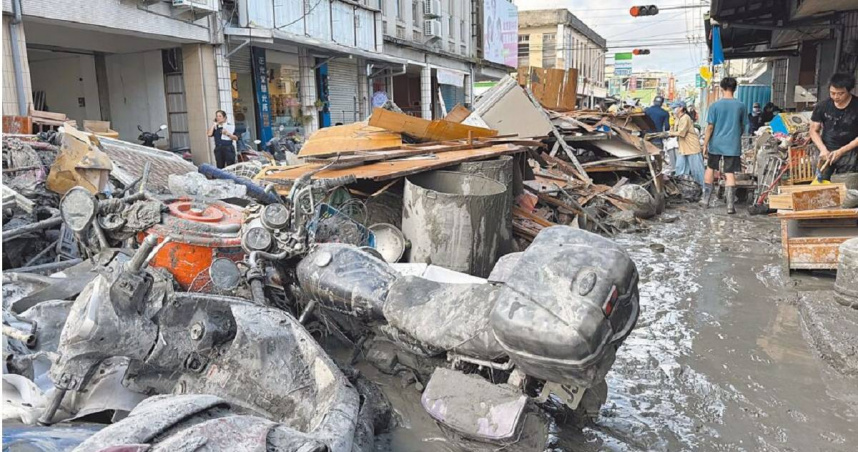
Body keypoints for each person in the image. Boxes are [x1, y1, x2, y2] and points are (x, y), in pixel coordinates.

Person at [702, 77, 746, 214]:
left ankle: (705, 201)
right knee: (729, 173)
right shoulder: (741, 106)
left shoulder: (715, 106)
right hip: (732, 144)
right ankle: (730, 206)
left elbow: (710, 127)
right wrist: (735, 136)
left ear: (721, 88)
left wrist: (705, 144)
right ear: (735, 88)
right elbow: (743, 126)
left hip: (716, 143)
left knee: (710, 168)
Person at [810, 72, 858, 180]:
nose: (836, 96)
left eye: (840, 93)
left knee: (846, 186)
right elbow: (813, 130)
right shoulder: (822, 106)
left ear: (849, 90)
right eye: (832, 93)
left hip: (849, 152)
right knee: (821, 182)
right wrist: (822, 149)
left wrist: (841, 151)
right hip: (826, 150)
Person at [670, 104, 705, 187]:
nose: (673, 109)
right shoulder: (678, 118)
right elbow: (675, 131)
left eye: (675, 107)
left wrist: (669, 133)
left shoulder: (685, 118)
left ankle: (703, 188)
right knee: (680, 168)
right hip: (683, 147)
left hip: (692, 147)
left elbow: (681, 133)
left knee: (697, 170)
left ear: (681, 108)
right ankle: (683, 187)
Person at [645, 96, 671, 166]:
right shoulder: (664, 113)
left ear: (654, 102)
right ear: (662, 103)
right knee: (658, 158)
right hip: (657, 139)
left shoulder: (646, 111)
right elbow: (667, 127)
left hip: (646, 138)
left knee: (646, 158)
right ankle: (658, 173)